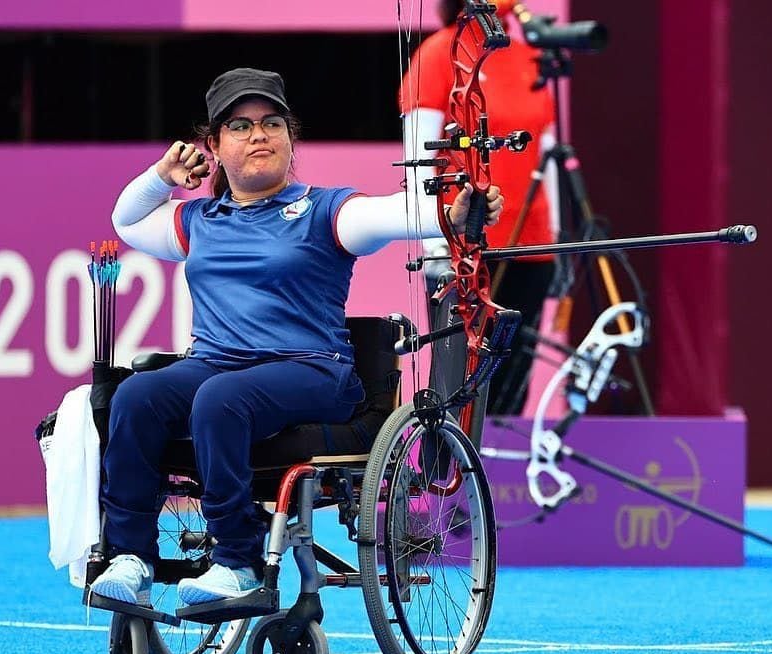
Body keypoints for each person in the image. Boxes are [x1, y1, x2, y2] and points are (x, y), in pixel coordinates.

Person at [88, 67, 503, 606]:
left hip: (312, 370)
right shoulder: (200, 219)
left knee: (220, 399)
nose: (258, 135)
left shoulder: (327, 211)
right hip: (217, 363)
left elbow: (390, 214)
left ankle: (237, 561)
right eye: (239, 126)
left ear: (290, 136)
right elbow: (127, 220)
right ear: (213, 145)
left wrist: (452, 213)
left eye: (271, 123)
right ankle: (131, 557)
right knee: (137, 396)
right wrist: (162, 174)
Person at [399, 0, 558, 415]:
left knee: (511, 381)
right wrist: (434, 242)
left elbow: (547, 152)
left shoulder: (532, 59)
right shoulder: (438, 52)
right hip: (465, 245)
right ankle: (452, 472)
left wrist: (556, 237)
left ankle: (502, 476)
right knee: (463, 379)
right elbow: (419, 157)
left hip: (531, 243)